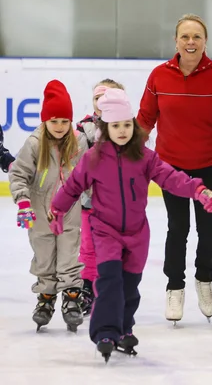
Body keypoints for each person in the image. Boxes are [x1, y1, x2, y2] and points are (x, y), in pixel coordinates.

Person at [50, 88, 212, 361]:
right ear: (105, 127)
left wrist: (199, 191)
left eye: (127, 124)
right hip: (105, 230)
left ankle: (124, 328)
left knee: (129, 287)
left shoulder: (144, 156)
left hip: (137, 234)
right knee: (109, 282)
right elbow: (72, 187)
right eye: (115, 125)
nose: (122, 130)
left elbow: (172, 178)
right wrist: (57, 210)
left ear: (134, 126)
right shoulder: (93, 159)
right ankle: (105, 331)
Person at [136, 13, 212, 323]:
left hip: (208, 166)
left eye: (196, 37)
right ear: (176, 41)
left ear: (205, 41)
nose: (190, 42)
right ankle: (175, 286)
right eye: (185, 36)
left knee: (208, 229)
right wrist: (128, 154)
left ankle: (204, 278)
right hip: (170, 167)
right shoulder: (159, 76)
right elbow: (145, 120)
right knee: (178, 228)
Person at [8, 79, 88, 332]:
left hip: (70, 214)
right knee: (44, 259)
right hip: (39, 214)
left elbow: (89, 175)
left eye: (65, 121)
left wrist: (96, 200)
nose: (60, 126)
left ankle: (72, 298)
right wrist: (22, 201)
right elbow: (18, 174)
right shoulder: (34, 144)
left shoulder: (80, 142)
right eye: (54, 121)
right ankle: (46, 297)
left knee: (69, 256)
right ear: (45, 121)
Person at [75, 78, 123, 315]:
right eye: (97, 98)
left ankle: (110, 289)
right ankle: (86, 289)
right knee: (88, 248)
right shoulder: (83, 128)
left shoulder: (126, 128)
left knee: (115, 247)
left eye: (107, 98)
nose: (102, 103)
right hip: (89, 201)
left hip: (118, 203)